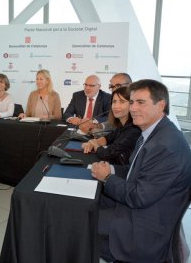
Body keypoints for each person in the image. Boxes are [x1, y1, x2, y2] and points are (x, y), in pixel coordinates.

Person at [91, 79, 191, 262]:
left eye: (141, 103)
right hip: (143, 209)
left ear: (161, 105)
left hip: (145, 227)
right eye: (132, 102)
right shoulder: (153, 132)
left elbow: (138, 196)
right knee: (85, 205)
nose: (133, 108)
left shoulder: (165, 146)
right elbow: (135, 171)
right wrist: (111, 169)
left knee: (79, 220)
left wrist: (107, 178)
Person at [81, 86, 141, 165]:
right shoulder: (122, 125)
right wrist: (94, 142)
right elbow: (108, 138)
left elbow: (107, 154)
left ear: (132, 105)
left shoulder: (134, 130)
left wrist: (95, 145)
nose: (116, 106)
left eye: (122, 102)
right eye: (114, 101)